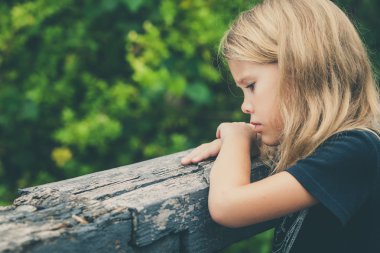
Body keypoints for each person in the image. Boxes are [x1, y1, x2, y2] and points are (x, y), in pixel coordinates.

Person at [180, 0, 380, 252]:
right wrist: (251, 142)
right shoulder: (324, 147)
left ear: (300, 70)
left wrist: (236, 139)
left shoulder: (358, 149)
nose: (245, 106)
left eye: (251, 86)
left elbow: (227, 206)